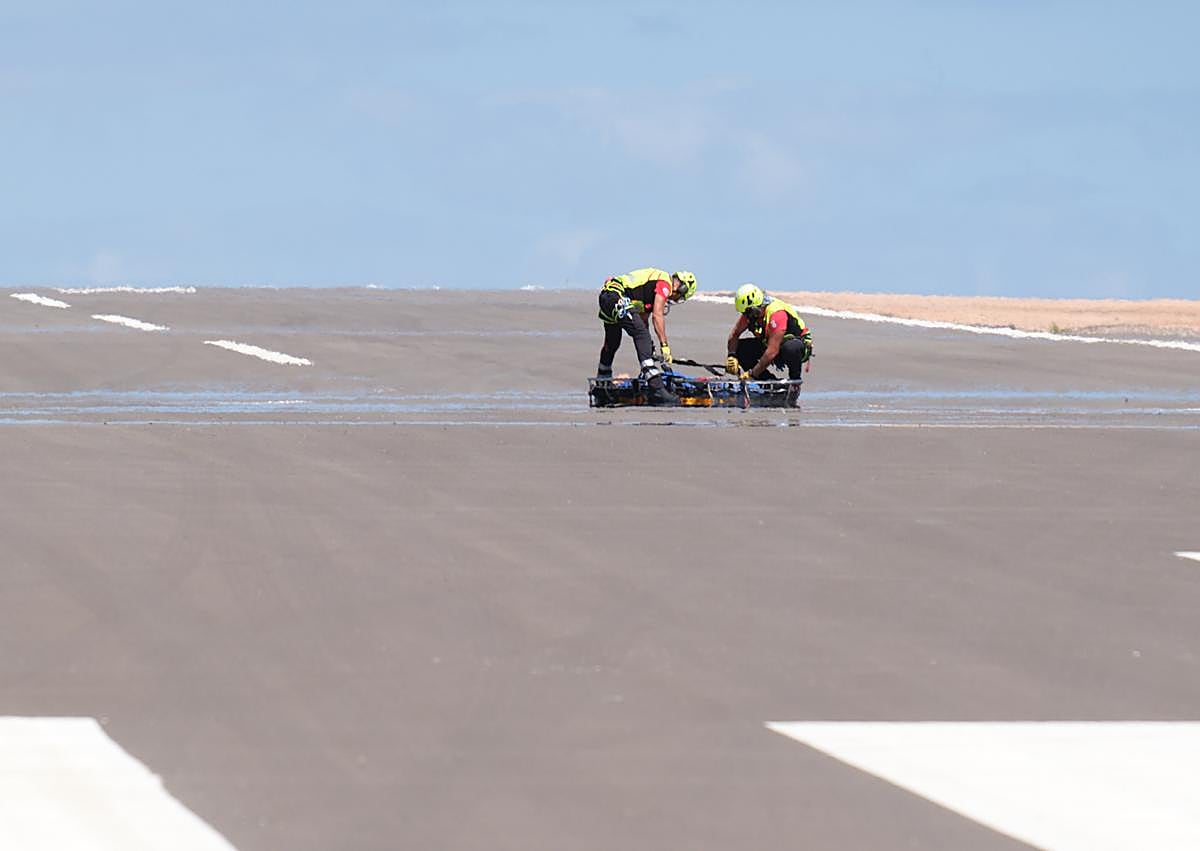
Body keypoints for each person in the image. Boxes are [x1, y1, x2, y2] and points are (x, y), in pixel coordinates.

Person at [596, 268, 698, 404]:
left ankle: (602, 384)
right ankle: (656, 388)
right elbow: (657, 315)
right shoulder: (665, 283)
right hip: (616, 296)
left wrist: (650, 349)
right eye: (679, 297)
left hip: (608, 298)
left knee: (613, 342)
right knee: (640, 334)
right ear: (681, 288)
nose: (675, 299)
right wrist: (664, 346)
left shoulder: (649, 291)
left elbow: (643, 323)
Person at [725, 283, 813, 403]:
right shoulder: (750, 314)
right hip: (770, 344)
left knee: (791, 348)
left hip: (794, 347)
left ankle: (794, 384)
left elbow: (772, 351)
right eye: (744, 313)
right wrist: (732, 356)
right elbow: (734, 335)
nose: (746, 316)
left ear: (757, 306)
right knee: (741, 348)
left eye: (748, 312)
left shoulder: (776, 313)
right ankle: (770, 384)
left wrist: (752, 373)